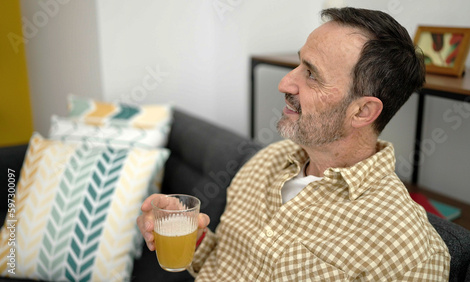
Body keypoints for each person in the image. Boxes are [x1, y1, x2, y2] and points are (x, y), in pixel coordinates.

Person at [137, 7, 450, 281]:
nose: (285, 83)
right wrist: (191, 236)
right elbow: (225, 266)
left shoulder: (410, 254)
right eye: (300, 64)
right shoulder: (265, 162)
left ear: (363, 111)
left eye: (312, 75)